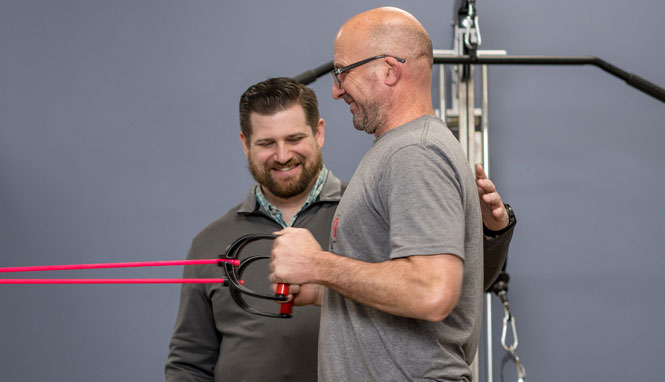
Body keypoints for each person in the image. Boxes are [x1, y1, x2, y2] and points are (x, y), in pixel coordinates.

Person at [165, 75, 514, 380]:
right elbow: (189, 364)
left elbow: (448, 289)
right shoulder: (210, 242)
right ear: (245, 144)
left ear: (319, 133)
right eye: (267, 144)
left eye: (294, 138)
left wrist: (490, 232)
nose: (283, 155)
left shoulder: (369, 211)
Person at [268, 7, 498, 381]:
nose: (336, 89)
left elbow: (432, 291)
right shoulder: (400, 150)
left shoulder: (414, 153)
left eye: (342, 72)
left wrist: (321, 265)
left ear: (390, 70)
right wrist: (324, 288)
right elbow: (402, 293)